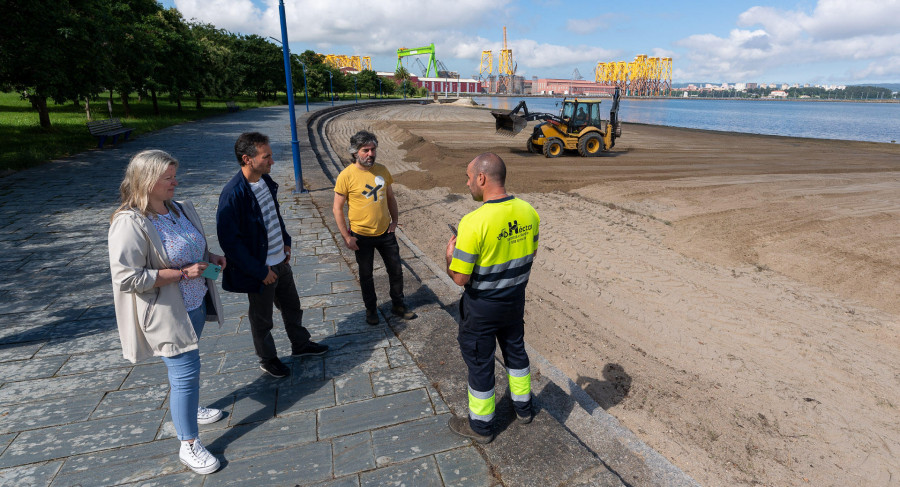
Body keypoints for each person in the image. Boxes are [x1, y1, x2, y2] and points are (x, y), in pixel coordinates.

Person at [108, 150, 226, 474]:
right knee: (185, 373)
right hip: (166, 314)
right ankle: (189, 445)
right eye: (168, 178)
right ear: (147, 182)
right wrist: (181, 274)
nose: (176, 182)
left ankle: (189, 409)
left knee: (185, 372)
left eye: (175, 175)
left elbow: (191, 248)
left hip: (196, 303)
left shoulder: (180, 208)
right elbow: (126, 278)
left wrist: (210, 256)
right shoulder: (130, 222)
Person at [444, 152, 540, 444]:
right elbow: (530, 254)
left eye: (468, 177)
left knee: (481, 363)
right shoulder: (528, 212)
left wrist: (449, 256)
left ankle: (482, 426)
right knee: (516, 352)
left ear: (482, 178)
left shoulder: (473, 221)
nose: (468, 183)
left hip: (483, 307)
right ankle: (523, 408)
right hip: (515, 300)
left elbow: (460, 278)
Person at [216, 132, 328, 379]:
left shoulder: (265, 182)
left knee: (292, 308)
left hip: (281, 261)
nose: (272, 161)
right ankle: (268, 359)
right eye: (266, 157)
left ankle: (301, 345)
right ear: (247, 159)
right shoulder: (232, 195)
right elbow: (230, 242)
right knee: (262, 319)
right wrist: (259, 271)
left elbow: (273, 217)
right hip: (261, 271)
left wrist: (286, 241)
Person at [332, 130, 416, 325]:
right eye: (365, 150)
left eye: (373, 149)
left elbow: (391, 198)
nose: (370, 154)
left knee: (396, 270)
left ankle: (398, 305)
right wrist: (346, 237)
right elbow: (337, 209)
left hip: (385, 232)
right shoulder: (346, 176)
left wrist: (394, 222)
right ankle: (371, 309)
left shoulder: (382, 170)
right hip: (361, 235)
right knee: (366, 275)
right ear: (355, 152)